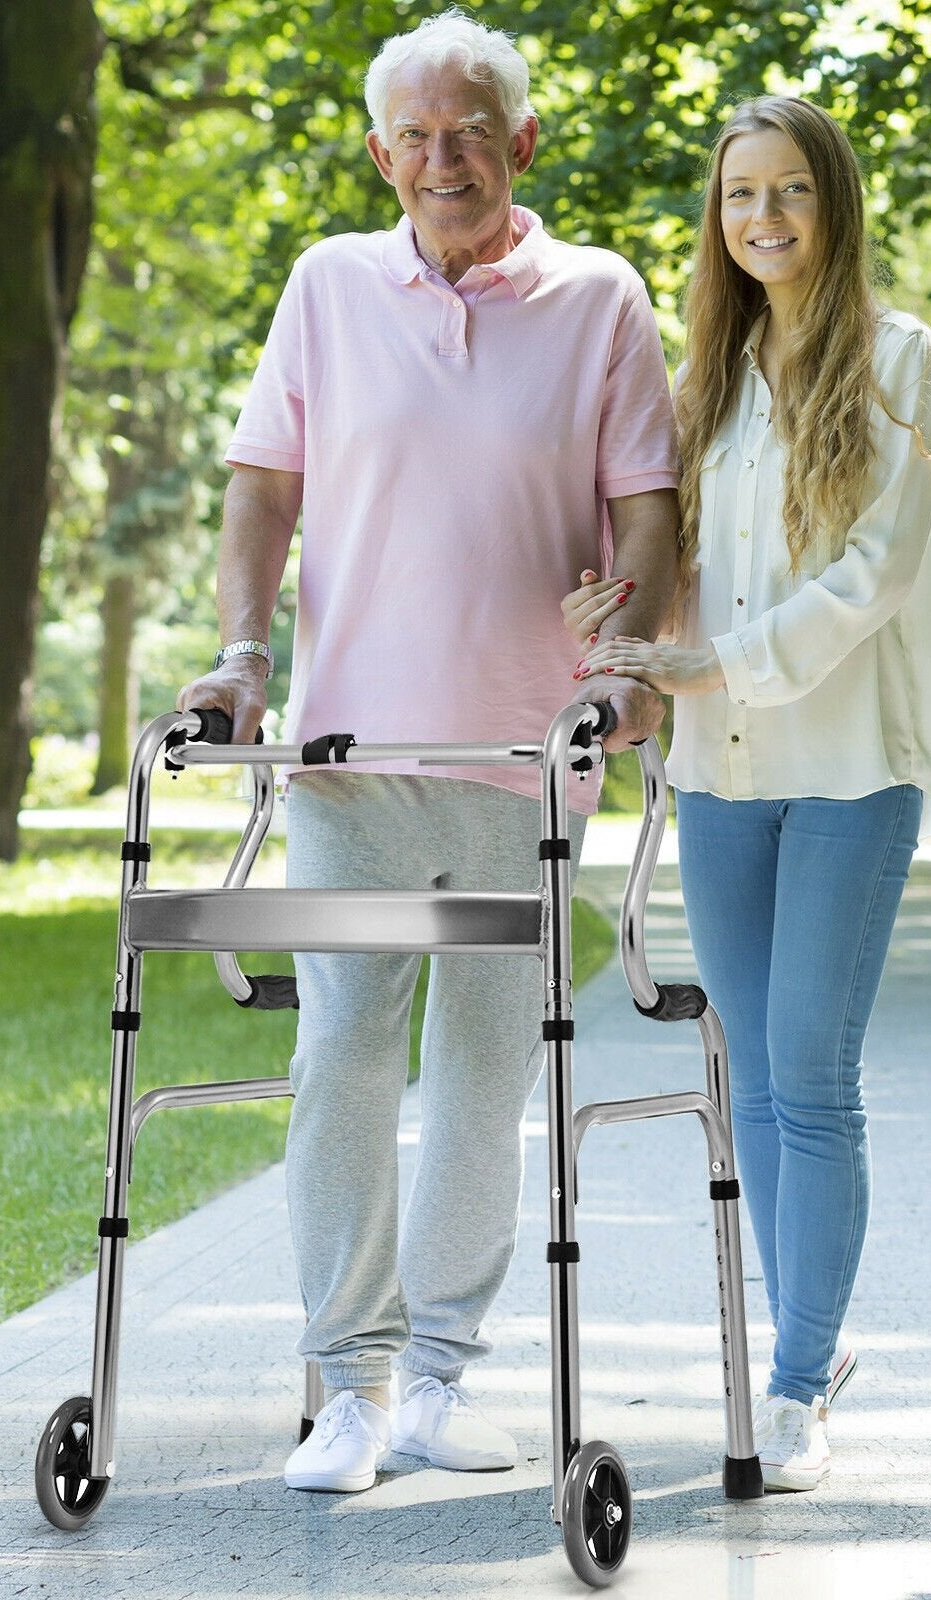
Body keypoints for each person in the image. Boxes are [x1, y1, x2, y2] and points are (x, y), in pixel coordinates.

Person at [177, 10, 679, 1494]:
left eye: (471, 131)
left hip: (530, 761)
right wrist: (243, 657)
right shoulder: (329, 284)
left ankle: (443, 1378)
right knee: (337, 1052)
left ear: (522, 142)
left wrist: (632, 647)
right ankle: (347, 1387)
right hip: (347, 755)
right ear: (381, 150)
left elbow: (644, 502)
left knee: (482, 1068)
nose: (441, 159)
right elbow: (264, 488)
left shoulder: (600, 297)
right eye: (415, 135)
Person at [569, 96, 931, 1492]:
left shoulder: (904, 361)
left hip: (855, 769)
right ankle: (810, 1339)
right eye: (742, 194)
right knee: (746, 1077)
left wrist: (713, 661)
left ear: (835, 202)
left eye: (792, 190)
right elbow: (678, 564)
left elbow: (875, 575)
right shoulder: (709, 380)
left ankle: (796, 1384)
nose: (765, 219)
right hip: (723, 780)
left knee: (811, 1076)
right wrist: (621, 601)